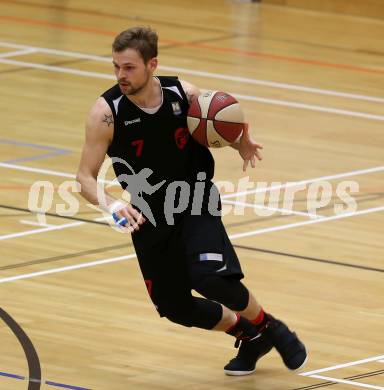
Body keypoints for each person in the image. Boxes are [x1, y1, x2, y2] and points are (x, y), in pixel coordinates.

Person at [76, 26, 307, 376]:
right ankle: (250, 335)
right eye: (116, 67)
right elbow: (84, 178)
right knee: (174, 306)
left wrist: (238, 143)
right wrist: (112, 205)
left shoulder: (183, 94)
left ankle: (272, 327)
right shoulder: (106, 113)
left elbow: (215, 127)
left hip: (195, 199)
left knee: (209, 276)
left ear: (152, 64)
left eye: (129, 67)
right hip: (149, 214)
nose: (120, 75)